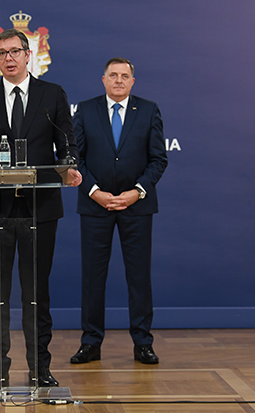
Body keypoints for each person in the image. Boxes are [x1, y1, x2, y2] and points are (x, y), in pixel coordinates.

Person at [0, 28, 81, 388]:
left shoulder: (52, 94)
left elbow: (67, 145)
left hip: (40, 208)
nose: (8, 58)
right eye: (2, 53)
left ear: (28, 55)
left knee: (37, 293)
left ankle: (40, 369)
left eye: (14, 51)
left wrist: (69, 167)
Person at [70, 58, 167, 365]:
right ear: (103, 80)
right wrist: (95, 192)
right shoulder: (86, 110)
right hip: (94, 205)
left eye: (125, 76)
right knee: (92, 277)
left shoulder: (148, 110)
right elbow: (75, 158)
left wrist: (135, 192)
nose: (119, 80)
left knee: (139, 277)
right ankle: (90, 342)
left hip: (136, 206)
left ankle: (143, 343)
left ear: (132, 82)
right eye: (113, 75)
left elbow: (158, 160)